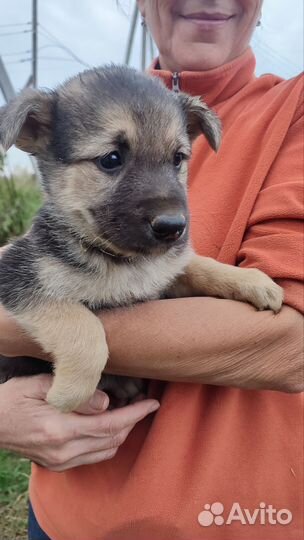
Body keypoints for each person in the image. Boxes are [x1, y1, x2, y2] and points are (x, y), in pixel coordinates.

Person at [0, 0, 303, 538]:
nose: (168, 208)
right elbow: (18, 283)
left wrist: (224, 278)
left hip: (234, 520)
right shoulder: (82, 108)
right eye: (111, 162)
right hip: (65, 513)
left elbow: (290, 347)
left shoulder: (290, 110)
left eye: (176, 159)